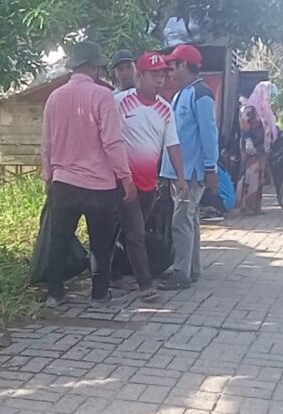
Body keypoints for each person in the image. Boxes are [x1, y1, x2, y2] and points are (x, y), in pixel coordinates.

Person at [41, 41, 137, 307]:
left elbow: (47, 143)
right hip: (99, 185)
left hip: (64, 183)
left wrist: (48, 176)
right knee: (100, 242)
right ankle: (99, 294)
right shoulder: (102, 95)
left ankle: (55, 294)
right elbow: (112, 142)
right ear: (95, 67)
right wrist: (126, 177)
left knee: (59, 240)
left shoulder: (54, 97)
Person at [113, 51, 188, 301]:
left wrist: (180, 177)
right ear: (140, 75)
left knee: (132, 230)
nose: (160, 80)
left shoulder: (165, 109)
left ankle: (114, 271)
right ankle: (145, 284)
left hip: (148, 184)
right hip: (123, 182)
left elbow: (173, 144)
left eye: (163, 75)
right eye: (155, 75)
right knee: (135, 232)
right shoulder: (120, 103)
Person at [158, 43, 218, 291]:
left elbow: (209, 133)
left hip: (191, 172)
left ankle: (181, 272)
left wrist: (210, 168)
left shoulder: (200, 94)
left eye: (172, 66)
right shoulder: (181, 94)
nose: (169, 72)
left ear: (184, 65)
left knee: (181, 221)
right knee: (189, 220)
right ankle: (190, 268)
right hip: (178, 172)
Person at [239, 81, 278, 214]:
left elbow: (270, 127)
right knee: (251, 177)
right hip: (252, 149)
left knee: (260, 177)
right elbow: (244, 127)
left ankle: (256, 207)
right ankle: (247, 206)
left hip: (262, 148)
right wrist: (248, 141)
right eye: (268, 94)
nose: (269, 97)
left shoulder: (265, 110)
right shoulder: (249, 109)